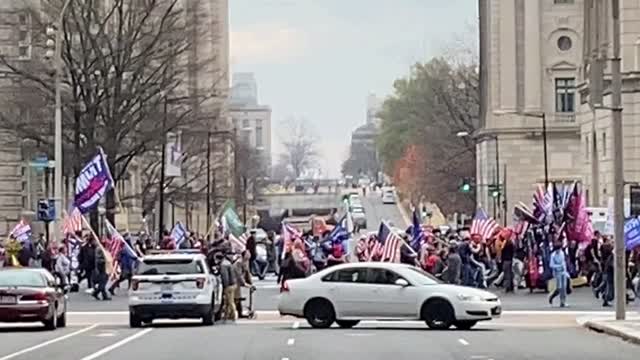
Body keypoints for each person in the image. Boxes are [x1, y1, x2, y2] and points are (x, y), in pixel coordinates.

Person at [233, 250, 255, 318]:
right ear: (244, 255)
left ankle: (240, 312)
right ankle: (236, 313)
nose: (249, 255)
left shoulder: (246, 262)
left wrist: (251, 283)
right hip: (235, 280)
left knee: (238, 297)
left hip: (239, 281)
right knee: (236, 297)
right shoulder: (239, 262)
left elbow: (247, 273)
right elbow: (238, 274)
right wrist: (244, 283)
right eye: (247, 254)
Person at [548, 241, 569, 307]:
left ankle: (563, 302)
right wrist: (558, 266)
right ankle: (551, 296)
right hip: (557, 272)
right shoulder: (553, 255)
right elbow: (551, 265)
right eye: (557, 249)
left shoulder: (562, 253)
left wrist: (566, 272)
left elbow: (564, 263)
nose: (558, 251)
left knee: (564, 287)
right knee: (559, 288)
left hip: (563, 272)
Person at [219, 252, 238, 322]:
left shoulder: (223, 265)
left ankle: (234, 315)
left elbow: (225, 277)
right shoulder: (229, 263)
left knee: (230, 301)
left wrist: (225, 286)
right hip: (233, 284)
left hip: (229, 285)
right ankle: (226, 316)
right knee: (227, 301)